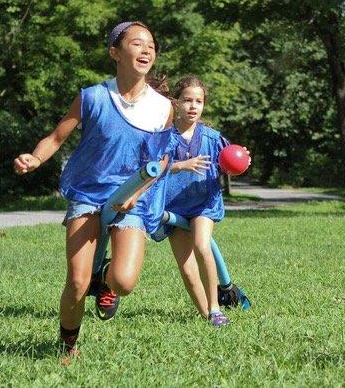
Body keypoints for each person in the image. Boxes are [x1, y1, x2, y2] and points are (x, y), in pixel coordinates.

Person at [13, 21, 174, 355]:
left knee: (124, 282)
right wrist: (35, 158)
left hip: (131, 197)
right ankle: (67, 346)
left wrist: (136, 194)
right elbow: (58, 137)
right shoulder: (93, 96)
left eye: (151, 46)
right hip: (88, 192)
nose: (146, 50)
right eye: (137, 44)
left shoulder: (163, 108)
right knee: (76, 282)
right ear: (115, 52)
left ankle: (107, 280)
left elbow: (161, 162)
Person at [152, 75, 238, 327]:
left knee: (202, 246)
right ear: (175, 103)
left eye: (198, 101)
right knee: (188, 270)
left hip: (203, 204)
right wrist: (179, 166)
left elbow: (229, 161)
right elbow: (150, 170)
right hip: (173, 208)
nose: (193, 106)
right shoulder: (163, 137)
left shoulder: (212, 138)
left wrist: (241, 161)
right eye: (187, 100)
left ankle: (215, 309)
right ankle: (206, 315)